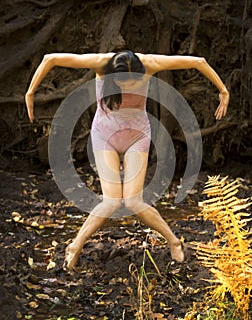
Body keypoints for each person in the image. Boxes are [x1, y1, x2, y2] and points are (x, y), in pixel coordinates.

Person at [25, 51, 229, 270]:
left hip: (137, 136)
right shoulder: (101, 64)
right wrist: (30, 93)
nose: (129, 87)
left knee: (133, 202)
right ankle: (75, 246)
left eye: (135, 82)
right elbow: (50, 58)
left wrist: (223, 91)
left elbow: (199, 60)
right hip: (105, 135)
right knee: (111, 202)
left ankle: (174, 242)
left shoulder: (150, 64)